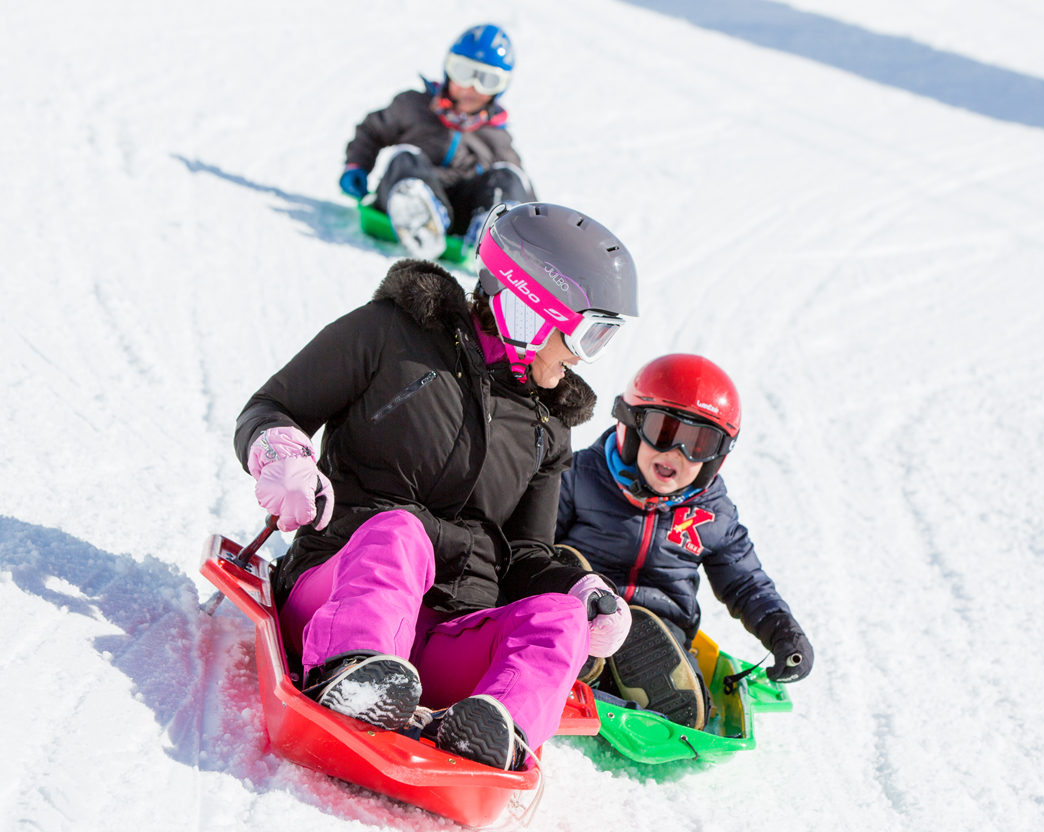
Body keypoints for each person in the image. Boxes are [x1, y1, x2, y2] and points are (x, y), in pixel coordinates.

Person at [233, 203, 639, 771]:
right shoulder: (390, 334)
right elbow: (273, 406)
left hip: (446, 634)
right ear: (535, 309)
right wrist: (280, 453)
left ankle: (495, 730)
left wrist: (579, 594)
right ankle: (353, 673)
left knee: (559, 620)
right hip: (338, 593)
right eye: (590, 334)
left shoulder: (547, 425)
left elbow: (525, 554)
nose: (582, 356)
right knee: (401, 531)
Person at [555, 354, 814, 731]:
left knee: (687, 696)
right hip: (588, 602)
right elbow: (534, 541)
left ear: (716, 457)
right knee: (564, 577)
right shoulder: (579, 476)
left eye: (699, 443)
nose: (676, 453)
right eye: (663, 432)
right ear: (631, 425)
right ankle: (579, 651)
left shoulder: (713, 514)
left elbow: (745, 582)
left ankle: (623, 691)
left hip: (657, 631)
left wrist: (783, 633)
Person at [339, 23, 536, 259]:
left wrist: (536, 230)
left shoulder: (497, 137)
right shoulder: (414, 106)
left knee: (508, 173)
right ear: (448, 69)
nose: (471, 87)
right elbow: (372, 130)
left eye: (488, 80)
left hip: (464, 218)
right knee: (405, 156)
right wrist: (356, 165)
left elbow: (522, 188)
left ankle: (495, 235)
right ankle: (417, 215)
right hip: (401, 200)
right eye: (463, 72)